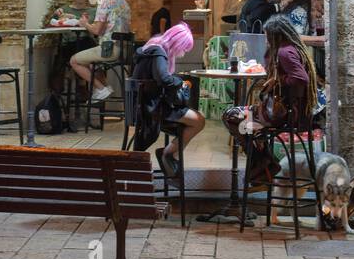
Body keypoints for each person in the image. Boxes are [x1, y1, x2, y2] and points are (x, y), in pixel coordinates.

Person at [222, 14, 320, 185]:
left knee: (232, 116)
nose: (266, 40)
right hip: (292, 113)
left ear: (276, 36)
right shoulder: (291, 48)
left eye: (267, 36)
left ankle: (263, 162)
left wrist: (278, 81)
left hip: (284, 115)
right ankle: (263, 162)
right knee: (244, 121)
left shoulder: (284, 52)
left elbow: (301, 79)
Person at [131, 23, 204, 179]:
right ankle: (168, 154)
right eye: (184, 48)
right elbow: (163, 78)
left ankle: (168, 155)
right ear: (178, 43)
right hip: (153, 108)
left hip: (143, 105)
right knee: (199, 120)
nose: (183, 53)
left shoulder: (151, 46)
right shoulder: (159, 52)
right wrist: (180, 82)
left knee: (192, 120)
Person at [68, 0, 131, 103]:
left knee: (73, 61)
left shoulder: (105, 3)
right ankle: (104, 88)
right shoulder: (123, 3)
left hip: (108, 50)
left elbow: (97, 31)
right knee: (91, 63)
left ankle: (101, 89)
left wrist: (85, 23)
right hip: (124, 50)